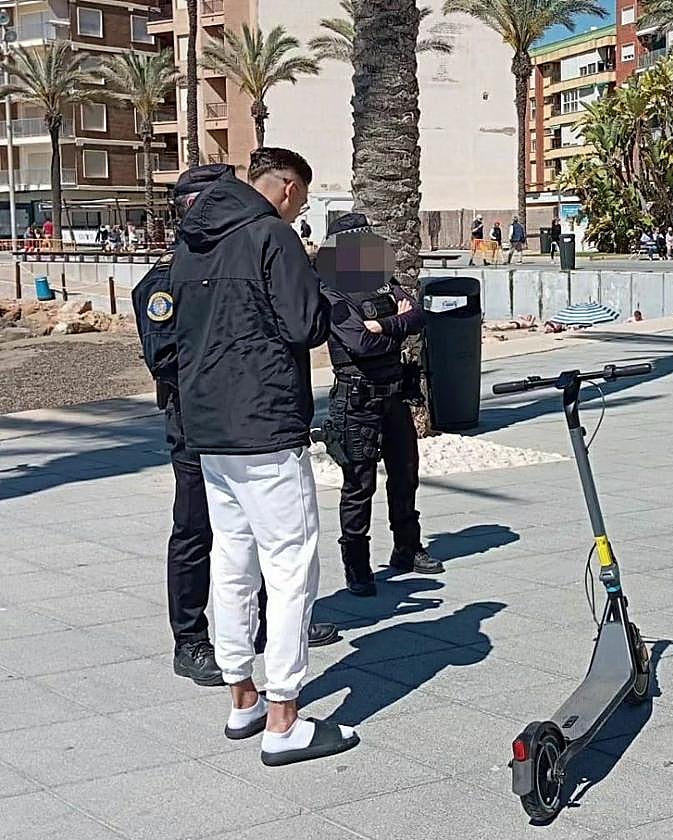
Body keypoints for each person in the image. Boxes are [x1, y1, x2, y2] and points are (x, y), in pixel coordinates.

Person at [172, 147, 359, 765]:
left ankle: (242, 698)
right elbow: (305, 326)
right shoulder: (271, 237)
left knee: (232, 559)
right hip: (266, 425)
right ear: (282, 188)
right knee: (289, 565)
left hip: (208, 428)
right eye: (300, 199)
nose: (299, 211)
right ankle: (284, 718)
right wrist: (324, 285)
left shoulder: (192, 240)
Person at [132, 165, 338, 688]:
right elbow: (167, 354)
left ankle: (247, 667)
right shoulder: (236, 247)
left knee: (239, 550)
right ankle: (202, 647)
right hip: (216, 421)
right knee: (212, 537)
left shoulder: (216, 249)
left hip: (217, 418)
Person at [316, 213, 441, 599]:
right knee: (359, 485)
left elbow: (419, 315)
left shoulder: (383, 281)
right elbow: (359, 345)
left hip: (393, 394)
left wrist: (384, 327)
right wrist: (395, 329)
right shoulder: (331, 290)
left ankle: (407, 547)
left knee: (405, 475)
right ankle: (358, 566)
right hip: (357, 399)